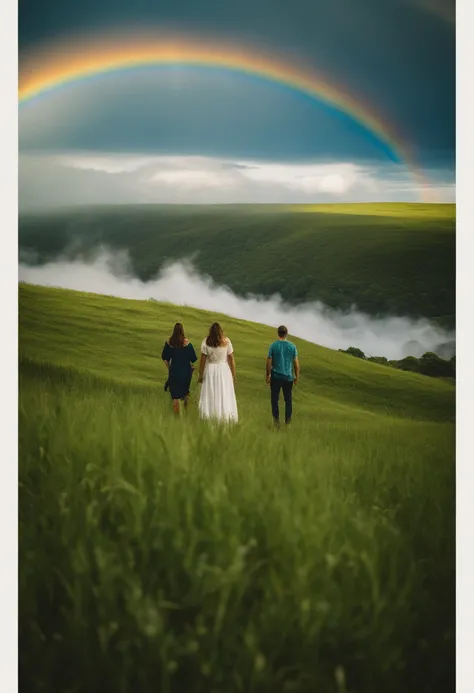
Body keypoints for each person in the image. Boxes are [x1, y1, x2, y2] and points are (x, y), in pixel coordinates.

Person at [198, 322, 238, 423]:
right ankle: (224, 415)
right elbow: (231, 359)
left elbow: (202, 361)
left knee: (211, 392)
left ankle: (210, 415)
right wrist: (233, 375)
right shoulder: (226, 341)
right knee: (224, 392)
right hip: (224, 369)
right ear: (221, 331)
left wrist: (200, 375)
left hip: (211, 369)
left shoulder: (206, 341)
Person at [266, 325, 300, 427]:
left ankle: (276, 422)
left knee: (274, 399)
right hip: (288, 377)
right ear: (286, 334)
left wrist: (268, 374)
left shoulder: (273, 346)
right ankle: (287, 422)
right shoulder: (292, 346)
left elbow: (268, 361)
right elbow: (296, 364)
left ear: (278, 333)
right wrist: (296, 377)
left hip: (276, 376)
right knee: (288, 400)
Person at [161, 323, 197, 416]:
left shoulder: (169, 343)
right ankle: (186, 414)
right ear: (182, 331)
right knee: (185, 393)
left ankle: (177, 417)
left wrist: (169, 368)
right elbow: (193, 358)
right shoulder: (187, 344)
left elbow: (164, 357)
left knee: (175, 397)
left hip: (174, 372)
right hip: (185, 372)